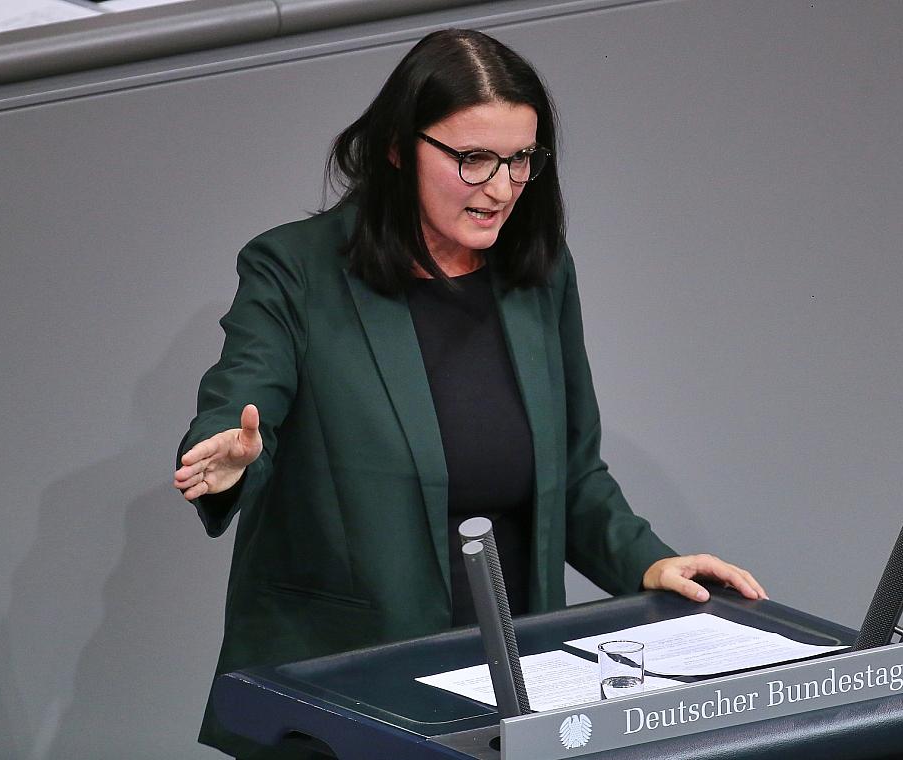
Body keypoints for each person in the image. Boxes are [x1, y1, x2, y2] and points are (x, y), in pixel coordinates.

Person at [173, 28, 765, 759]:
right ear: (399, 148)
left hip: (511, 691)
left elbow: (572, 474)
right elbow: (244, 395)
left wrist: (647, 562)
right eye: (474, 158)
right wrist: (228, 453)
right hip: (345, 693)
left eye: (521, 160)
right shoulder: (295, 269)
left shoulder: (538, 274)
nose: (502, 187)